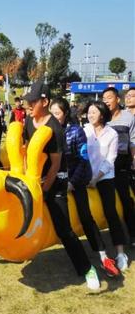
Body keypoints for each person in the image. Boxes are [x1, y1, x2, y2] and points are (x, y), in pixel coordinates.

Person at [22, 81, 100, 290]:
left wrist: (44, 190)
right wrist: (27, 178)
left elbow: (56, 164)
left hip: (54, 183)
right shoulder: (29, 121)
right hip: (34, 181)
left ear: (44, 102)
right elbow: (27, 150)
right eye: (28, 101)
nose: (28, 105)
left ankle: (87, 268)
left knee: (64, 229)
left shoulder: (54, 128)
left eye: (33, 101)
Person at [51, 98, 121, 277]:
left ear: (65, 114)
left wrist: (72, 182)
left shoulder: (76, 131)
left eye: (57, 113)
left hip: (77, 180)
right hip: (56, 180)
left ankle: (103, 256)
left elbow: (83, 161)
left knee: (85, 216)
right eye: (52, 113)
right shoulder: (48, 131)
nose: (54, 117)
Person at [83, 100, 129, 272]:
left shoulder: (112, 133)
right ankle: (102, 253)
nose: (90, 115)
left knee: (111, 212)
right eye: (89, 112)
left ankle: (120, 253)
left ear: (102, 115)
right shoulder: (84, 130)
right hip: (85, 177)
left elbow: (110, 160)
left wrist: (96, 178)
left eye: (93, 112)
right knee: (86, 214)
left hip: (104, 178)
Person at [102, 87, 135, 245]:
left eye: (109, 97)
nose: (106, 101)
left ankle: (133, 234)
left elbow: (133, 141)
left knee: (125, 199)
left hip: (122, 163)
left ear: (117, 99)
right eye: (104, 98)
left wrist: (134, 159)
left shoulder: (128, 117)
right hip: (104, 164)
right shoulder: (102, 117)